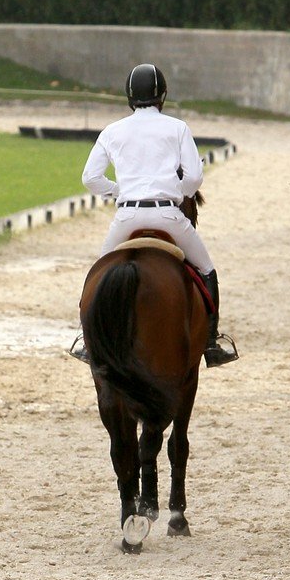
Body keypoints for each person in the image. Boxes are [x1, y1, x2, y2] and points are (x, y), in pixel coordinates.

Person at [74, 62, 238, 368]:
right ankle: (211, 342)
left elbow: (90, 179)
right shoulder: (177, 128)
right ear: (162, 95)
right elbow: (194, 178)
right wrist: (175, 190)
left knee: (97, 273)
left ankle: (86, 340)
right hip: (168, 216)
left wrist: (118, 190)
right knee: (206, 269)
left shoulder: (112, 130)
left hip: (127, 218)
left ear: (129, 97)